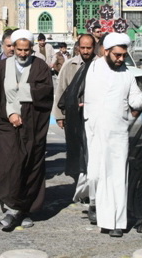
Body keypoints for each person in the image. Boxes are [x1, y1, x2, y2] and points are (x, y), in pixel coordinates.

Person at [0, 29, 54, 232]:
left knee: (29, 166)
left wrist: (23, 91)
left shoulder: (40, 66)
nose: (23, 54)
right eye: (19, 50)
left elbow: (46, 92)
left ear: (32, 48)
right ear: (13, 48)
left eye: (26, 50)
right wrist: (11, 115)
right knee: (9, 165)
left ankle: (24, 210)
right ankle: (10, 208)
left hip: (32, 126)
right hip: (6, 126)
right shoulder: (1, 67)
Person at [83, 33, 142, 238]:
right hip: (95, 132)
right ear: (106, 51)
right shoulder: (94, 68)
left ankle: (117, 223)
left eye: (123, 55)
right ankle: (99, 211)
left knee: (118, 177)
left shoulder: (127, 74)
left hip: (119, 132)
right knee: (96, 176)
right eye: (117, 55)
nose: (121, 59)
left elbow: (135, 101)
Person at [54, 34, 96, 197]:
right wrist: (60, 116)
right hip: (73, 116)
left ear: (94, 48)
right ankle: (80, 185)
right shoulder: (70, 65)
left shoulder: (99, 65)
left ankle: (91, 189)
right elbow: (60, 89)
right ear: (78, 47)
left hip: (94, 117)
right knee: (76, 151)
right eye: (82, 48)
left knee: (92, 152)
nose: (85, 51)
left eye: (89, 48)